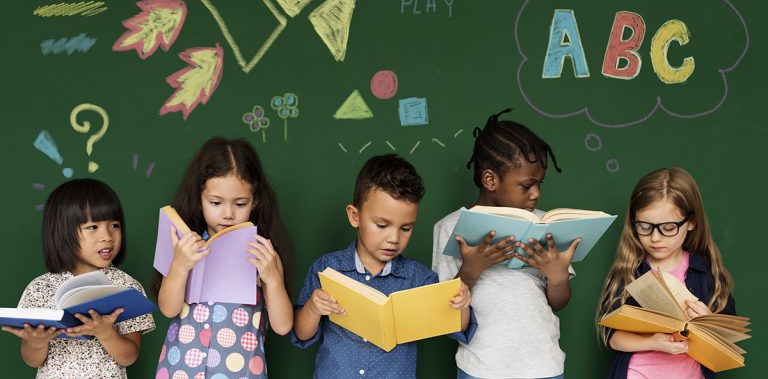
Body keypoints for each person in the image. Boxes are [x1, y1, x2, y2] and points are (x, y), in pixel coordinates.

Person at [292, 153, 475, 378]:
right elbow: (301, 334)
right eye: (382, 225)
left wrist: (462, 303)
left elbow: (457, 326)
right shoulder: (328, 268)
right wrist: (312, 308)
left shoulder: (419, 278)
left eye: (405, 228)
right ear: (354, 216)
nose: (394, 238)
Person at [432, 108, 577, 379]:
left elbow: (558, 302)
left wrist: (557, 278)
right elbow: (445, 310)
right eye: (526, 185)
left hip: (543, 365)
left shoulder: (545, 225)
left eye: (540, 184)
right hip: (482, 366)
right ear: (490, 180)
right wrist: (471, 270)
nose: (537, 193)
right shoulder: (450, 228)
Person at [154, 137, 294, 378]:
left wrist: (273, 279)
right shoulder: (186, 246)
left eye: (240, 203)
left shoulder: (263, 254)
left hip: (240, 371)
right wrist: (179, 266)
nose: (228, 214)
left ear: (255, 201)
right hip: (182, 368)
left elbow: (283, 327)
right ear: (200, 198)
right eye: (216, 202)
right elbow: (168, 309)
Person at [1, 178, 155, 378]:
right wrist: (37, 342)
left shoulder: (126, 287)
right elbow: (33, 360)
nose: (107, 236)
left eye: (115, 225)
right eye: (93, 227)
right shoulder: (39, 288)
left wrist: (105, 332)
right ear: (63, 232)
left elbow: (129, 357)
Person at [596, 167, 736, 379]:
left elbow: (729, 340)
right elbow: (613, 338)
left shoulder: (706, 272)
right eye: (644, 226)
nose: (655, 238)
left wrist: (708, 321)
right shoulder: (629, 271)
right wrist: (652, 342)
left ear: (691, 222)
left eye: (668, 228)